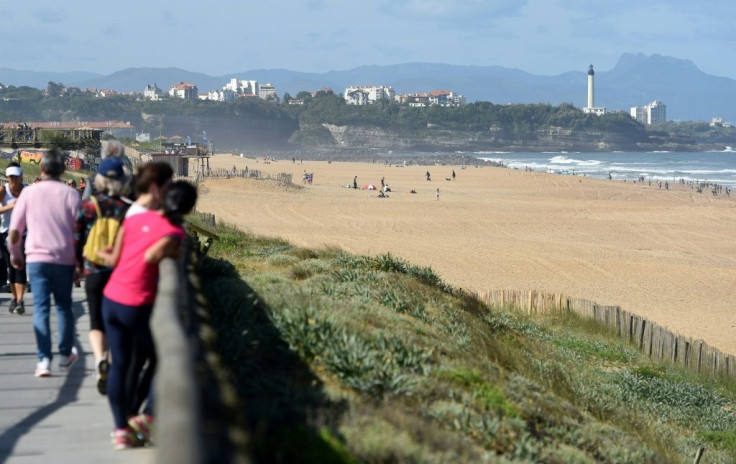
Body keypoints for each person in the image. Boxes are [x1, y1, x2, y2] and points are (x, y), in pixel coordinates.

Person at [98, 181, 197, 450]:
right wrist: (173, 250)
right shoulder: (174, 230)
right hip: (136, 302)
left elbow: (113, 258)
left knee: (120, 363)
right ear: (188, 209)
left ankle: (120, 429)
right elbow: (154, 255)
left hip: (111, 299)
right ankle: (148, 416)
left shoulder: (136, 219)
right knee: (167, 355)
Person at [9, 149, 81, 377]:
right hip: (64, 258)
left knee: (40, 308)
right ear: (63, 169)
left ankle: (43, 361)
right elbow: (79, 232)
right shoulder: (71, 195)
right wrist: (80, 263)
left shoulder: (29, 194)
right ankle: (64, 354)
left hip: (36, 259)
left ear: (41, 169)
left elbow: (15, 230)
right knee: (63, 307)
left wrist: (15, 254)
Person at [75, 157, 131, 395]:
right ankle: (111, 360)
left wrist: (77, 266)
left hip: (94, 271)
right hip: (120, 273)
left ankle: (100, 362)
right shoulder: (127, 208)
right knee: (116, 321)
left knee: (96, 321)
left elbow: (76, 238)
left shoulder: (88, 206)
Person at [0, 163, 27, 314]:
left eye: (16, 177)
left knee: (21, 266)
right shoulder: (3, 191)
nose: (13, 181)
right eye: (11, 178)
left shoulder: (26, 191)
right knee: (11, 269)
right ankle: (14, 298)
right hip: (5, 234)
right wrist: (10, 207)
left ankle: (21, 300)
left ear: (21, 177)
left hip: (23, 233)